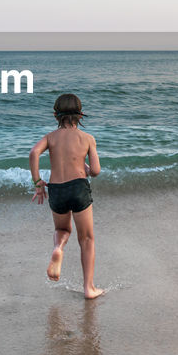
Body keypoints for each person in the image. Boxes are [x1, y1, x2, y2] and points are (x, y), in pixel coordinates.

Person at [29, 93, 104, 299]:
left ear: (55, 115)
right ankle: (89, 288)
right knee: (87, 239)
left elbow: (34, 153)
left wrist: (37, 183)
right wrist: (86, 167)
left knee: (62, 229)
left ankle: (58, 248)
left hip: (57, 189)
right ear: (81, 115)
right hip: (79, 188)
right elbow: (96, 171)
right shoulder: (88, 138)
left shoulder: (50, 137)